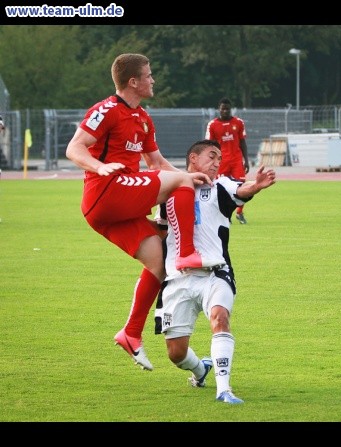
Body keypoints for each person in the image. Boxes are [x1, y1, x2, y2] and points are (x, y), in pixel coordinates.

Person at [65, 53, 220, 371]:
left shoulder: (144, 119)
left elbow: (158, 165)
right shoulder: (106, 110)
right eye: (149, 75)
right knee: (180, 184)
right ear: (133, 81)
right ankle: (187, 253)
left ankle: (131, 333)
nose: (153, 80)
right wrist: (100, 166)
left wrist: (191, 178)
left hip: (113, 211)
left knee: (158, 262)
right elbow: (74, 147)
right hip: (106, 192)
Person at [153, 139, 276, 404]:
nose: (217, 162)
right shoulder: (170, 190)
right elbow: (160, 234)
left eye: (219, 158)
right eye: (212, 156)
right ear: (193, 159)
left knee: (220, 318)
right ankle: (200, 368)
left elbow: (242, 190)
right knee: (176, 354)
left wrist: (256, 185)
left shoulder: (220, 185)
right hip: (178, 277)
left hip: (215, 273)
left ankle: (224, 389)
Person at [205, 97, 250, 224]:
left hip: (236, 160)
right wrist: (210, 162)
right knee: (222, 188)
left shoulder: (239, 122)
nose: (225, 111)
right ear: (219, 109)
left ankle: (240, 212)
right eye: (223, 109)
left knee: (241, 186)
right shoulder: (212, 125)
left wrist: (246, 160)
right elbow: (210, 145)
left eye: (228, 109)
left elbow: (242, 142)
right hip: (221, 162)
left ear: (231, 109)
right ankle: (225, 214)